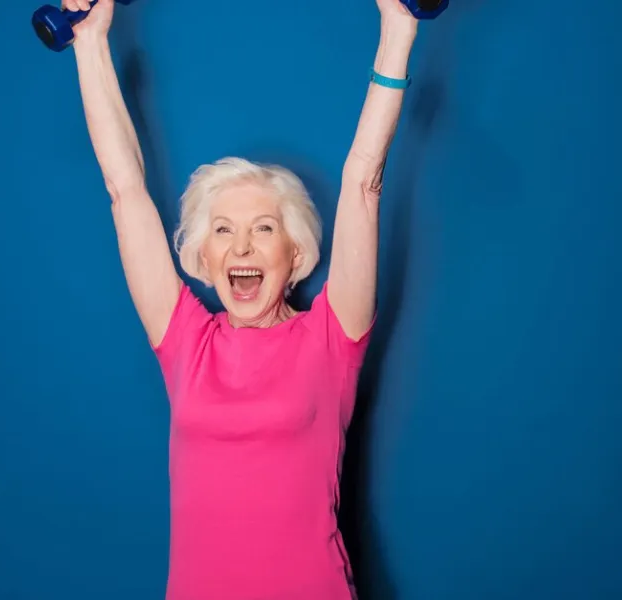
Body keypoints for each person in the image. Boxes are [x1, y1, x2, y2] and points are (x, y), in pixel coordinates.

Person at [63, 0, 419, 597]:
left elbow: (364, 179)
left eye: (263, 228)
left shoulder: (332, 338)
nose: (240, 246)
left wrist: (399, 29)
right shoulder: (185, 342)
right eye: (222, 230)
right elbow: (125, 190)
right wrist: (90, 40)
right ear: (203, 257)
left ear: (296, 255)